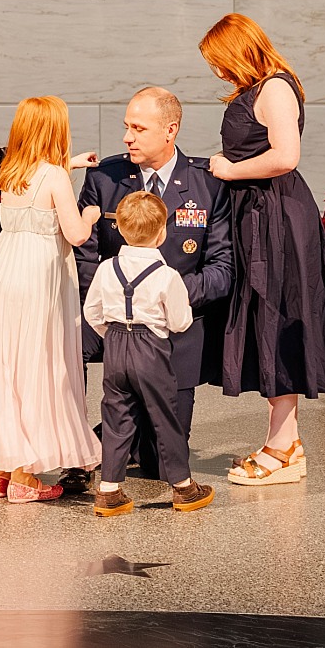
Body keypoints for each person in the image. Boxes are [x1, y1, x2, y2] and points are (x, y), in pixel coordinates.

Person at [199, 13, 325, 485]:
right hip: (256, 216)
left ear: (238, 50)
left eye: (218, 61)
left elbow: (286, 156)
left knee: (277, 317)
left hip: (276, 220)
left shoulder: (275, 88)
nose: (217, 72)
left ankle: (282, 449)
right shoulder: (256, 89)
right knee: (266, 320)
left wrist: (227, 170)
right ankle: (286, 442)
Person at [69, 86, 233, 491]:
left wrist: (164, 297)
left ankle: (102, 441)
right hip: (116, 326)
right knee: (69, 347)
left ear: (170, 130)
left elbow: (222, 268)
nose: (127, 137)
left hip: (176, 331)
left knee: (163, 462)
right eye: (127, 127)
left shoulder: (206, 184)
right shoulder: (105, 177)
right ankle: (74, 443)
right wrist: (117, 307)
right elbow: (86, 256)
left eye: (139, 128)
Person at [0, 96, 103, 503]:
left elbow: (36, 181)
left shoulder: (9, 172)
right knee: (36, 365)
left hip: (4, 273)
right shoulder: (54, 175)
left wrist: (70, 163)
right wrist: (90, 216)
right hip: (38, 276)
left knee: (6, 367)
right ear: (56, 131)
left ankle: (3, 470)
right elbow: (74, 235)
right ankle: (24, 477)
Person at [84, 191, 213, 516]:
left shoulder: (106, 268)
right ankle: (183, 488)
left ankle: (109, 491)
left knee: (116, 418)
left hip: (115, 347)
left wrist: (113, 335)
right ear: (162, 233)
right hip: (151, 351)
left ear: (122, 231)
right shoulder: (167, 276)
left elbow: (92, 313)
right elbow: (181, 321)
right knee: (164, 417)